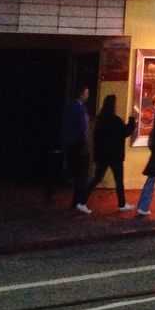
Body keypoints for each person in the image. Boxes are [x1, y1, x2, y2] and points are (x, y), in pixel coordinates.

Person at [88, 94, 137, 213]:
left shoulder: (100, 119)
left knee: (96, 178)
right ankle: (122, 204)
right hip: (115, 155)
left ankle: (82, 201)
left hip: (103, 155)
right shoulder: (115, 120)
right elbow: (125, 132)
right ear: (113, 105)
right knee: (119, 181)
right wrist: (132, 122)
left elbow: (97, 137)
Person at [61, 85, 93, 214]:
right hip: (78, 144)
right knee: (82, 174)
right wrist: (84, 142)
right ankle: (80, 202)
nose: (88, 95)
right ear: (81, 94)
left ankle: (76, 201)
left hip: (71, 144)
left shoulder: (70, 107)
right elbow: (82, 128)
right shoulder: (79, 109)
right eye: (86, 93)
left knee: (75, 172)